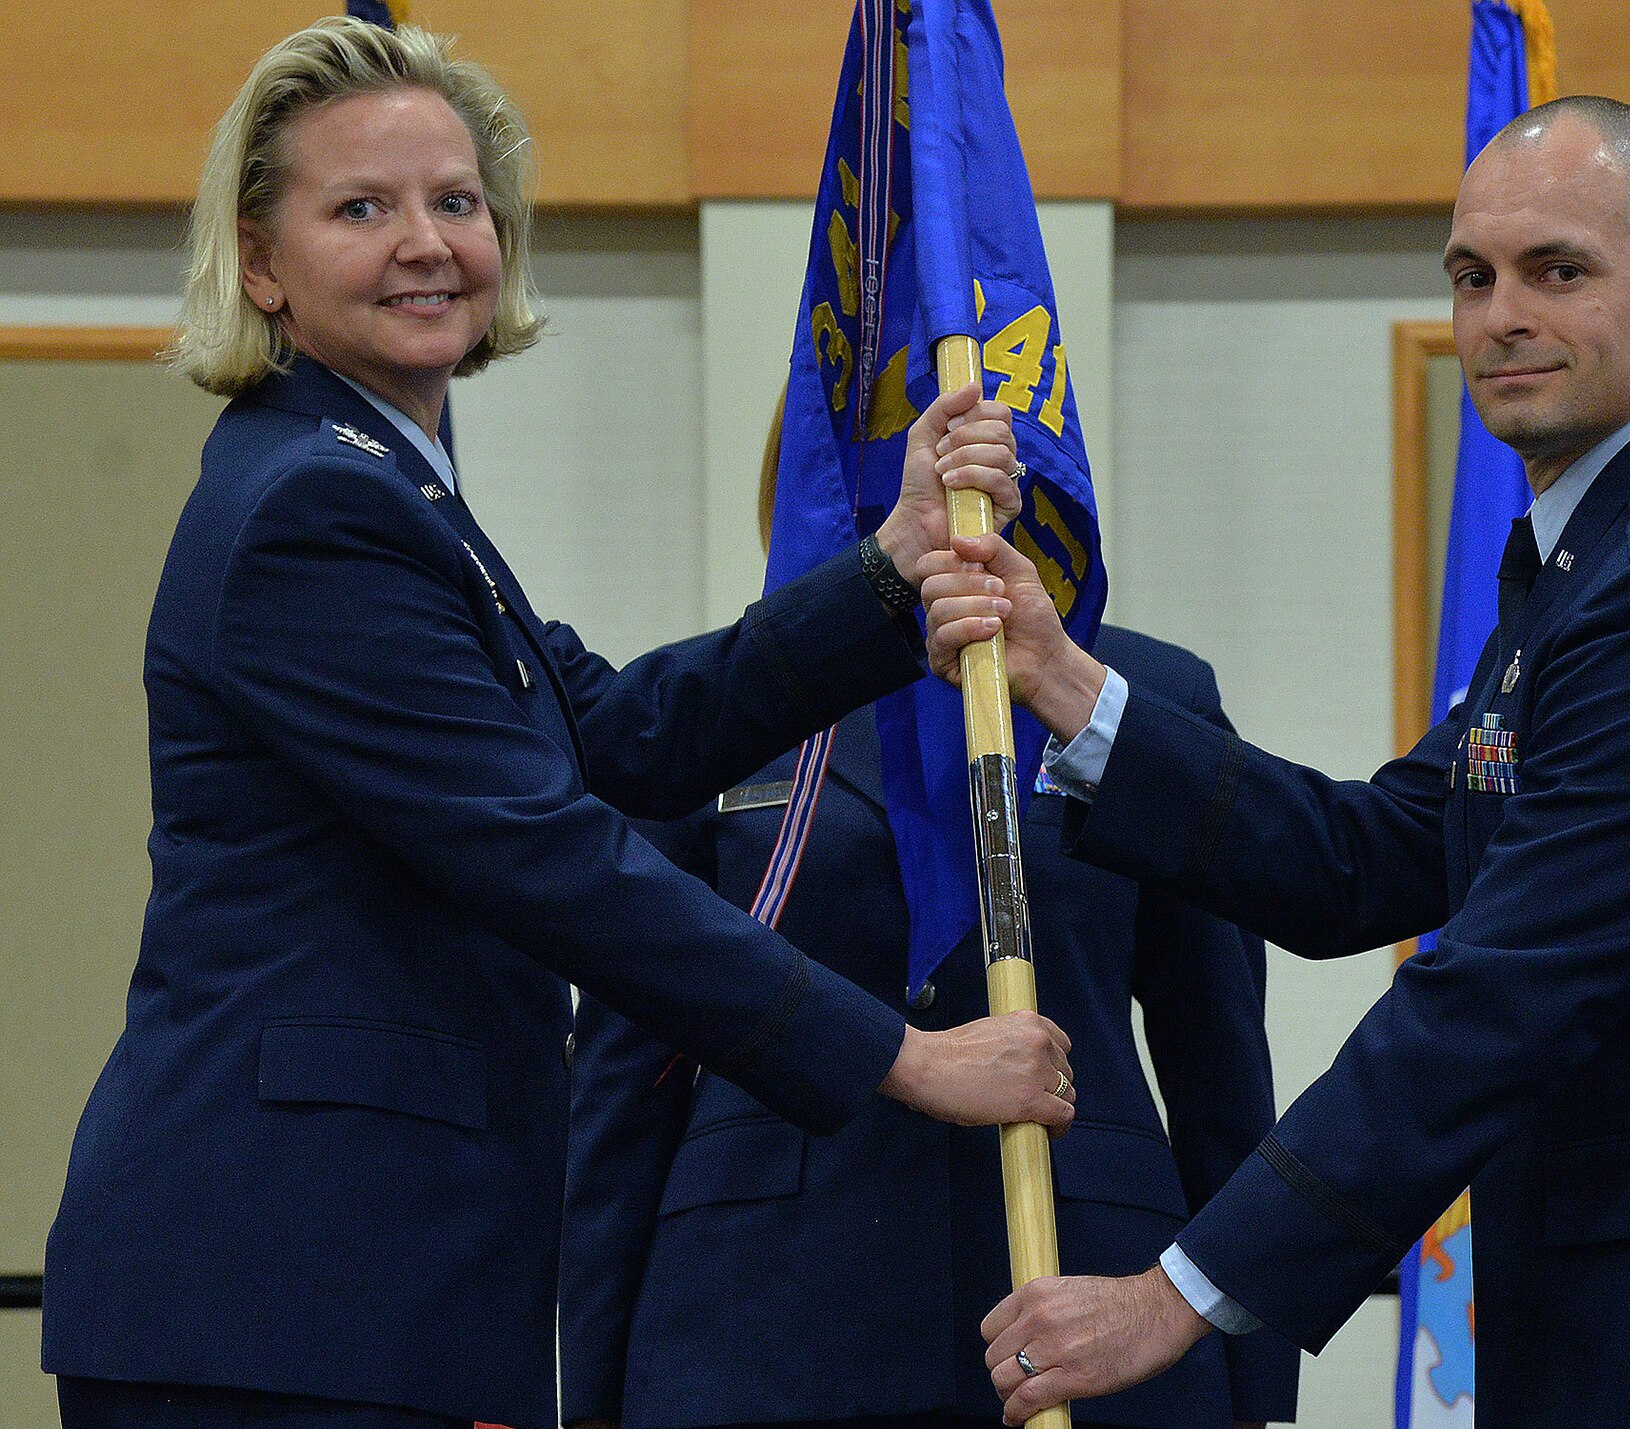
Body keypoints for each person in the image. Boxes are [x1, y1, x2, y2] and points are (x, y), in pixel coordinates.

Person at [40, 19, 1074, 1429]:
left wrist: (888, 574)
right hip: (279, 1302)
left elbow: (616, 731)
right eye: (362, 207)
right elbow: (554, 852)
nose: (427, 242)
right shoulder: (312, 510)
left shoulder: (387, 487)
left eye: (456, 202)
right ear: (262, 262)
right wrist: (904, 1057)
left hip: (354, 1295)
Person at [922, 96, 1630, 1427]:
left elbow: (1499, 992)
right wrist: (1064, 680)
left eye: (1558, 271)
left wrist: (1179, 1291)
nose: (1499, 315)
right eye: (1471, 277)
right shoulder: (1597, 562)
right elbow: (1367, 855)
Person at [557, 421, 1301, 1429]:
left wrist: (1249, 1389)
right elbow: (621, 1088)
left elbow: (1219, 1081)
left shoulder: (1140, 698)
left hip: (1084, 1302)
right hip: (761, 1325)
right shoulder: (704, 709)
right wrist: (590, 1388)